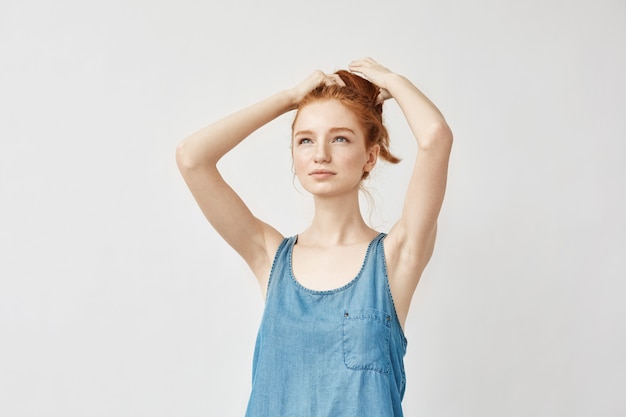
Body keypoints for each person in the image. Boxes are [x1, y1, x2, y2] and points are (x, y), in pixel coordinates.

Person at [176, 57, 452, 417]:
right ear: (294, 154)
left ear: (370, 156)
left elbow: (435, 138)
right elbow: (191, 157)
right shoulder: (270, 256)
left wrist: (394, 81)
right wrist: (289, 98)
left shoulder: (395, 258)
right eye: (305, 140)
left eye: (340, 138)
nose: (320, 154)